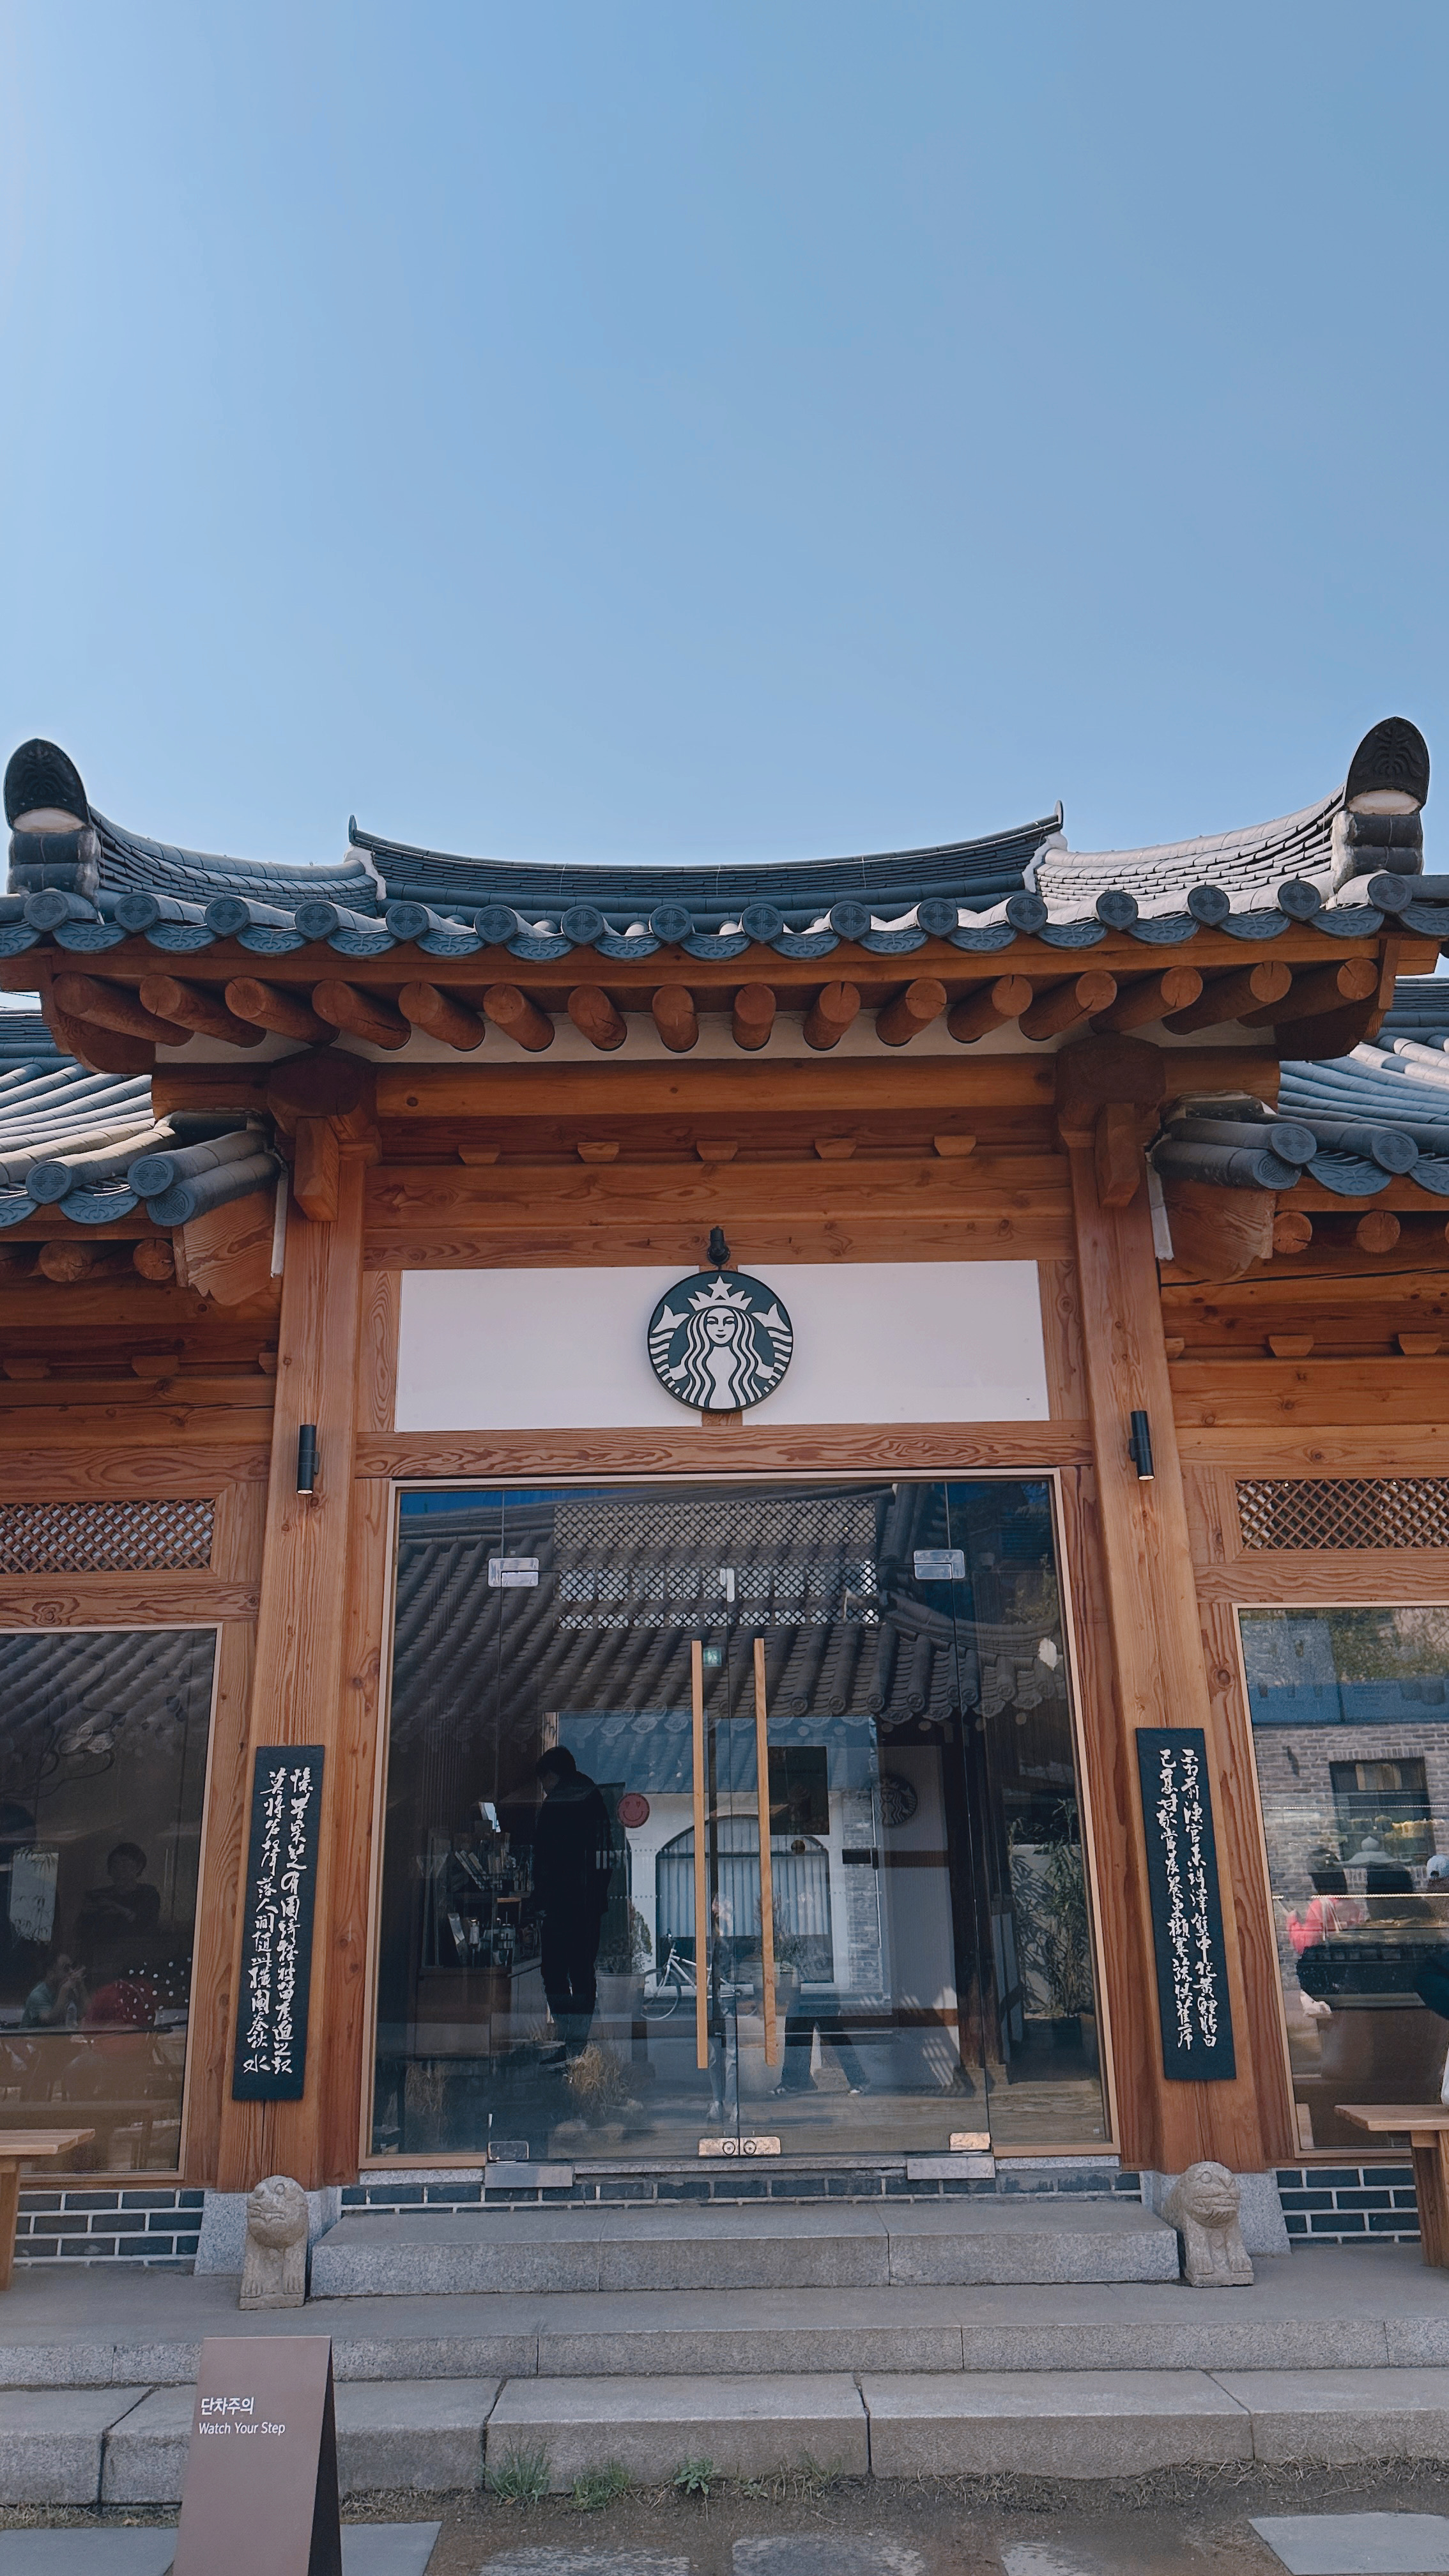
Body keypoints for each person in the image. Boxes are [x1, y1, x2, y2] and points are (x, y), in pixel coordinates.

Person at [532, 1749, 614, 2064]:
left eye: (544, 1781)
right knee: (582, 1973)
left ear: (553, 1775)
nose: (543, 1789)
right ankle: (578, 2043)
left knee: (554, 1973)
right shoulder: (593, 1797)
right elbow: (606, 1855)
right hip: (590, 1905)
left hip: (561, 1906)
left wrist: (541, 1901)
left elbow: (545, 1860)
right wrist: (596, 1895)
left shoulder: (557, 1804)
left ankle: (571, 2039)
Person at [76, 1844, 161, 1981]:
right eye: (115, 1864)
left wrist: (117, 1908)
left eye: (125, 1864)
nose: (119, 1869)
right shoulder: (98, 1896)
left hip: (137, 1962)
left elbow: (146, 1926)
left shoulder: (148, 1895)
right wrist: (86, 1913)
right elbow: (81, 1933)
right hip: (101, 1963)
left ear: (138, 1867)